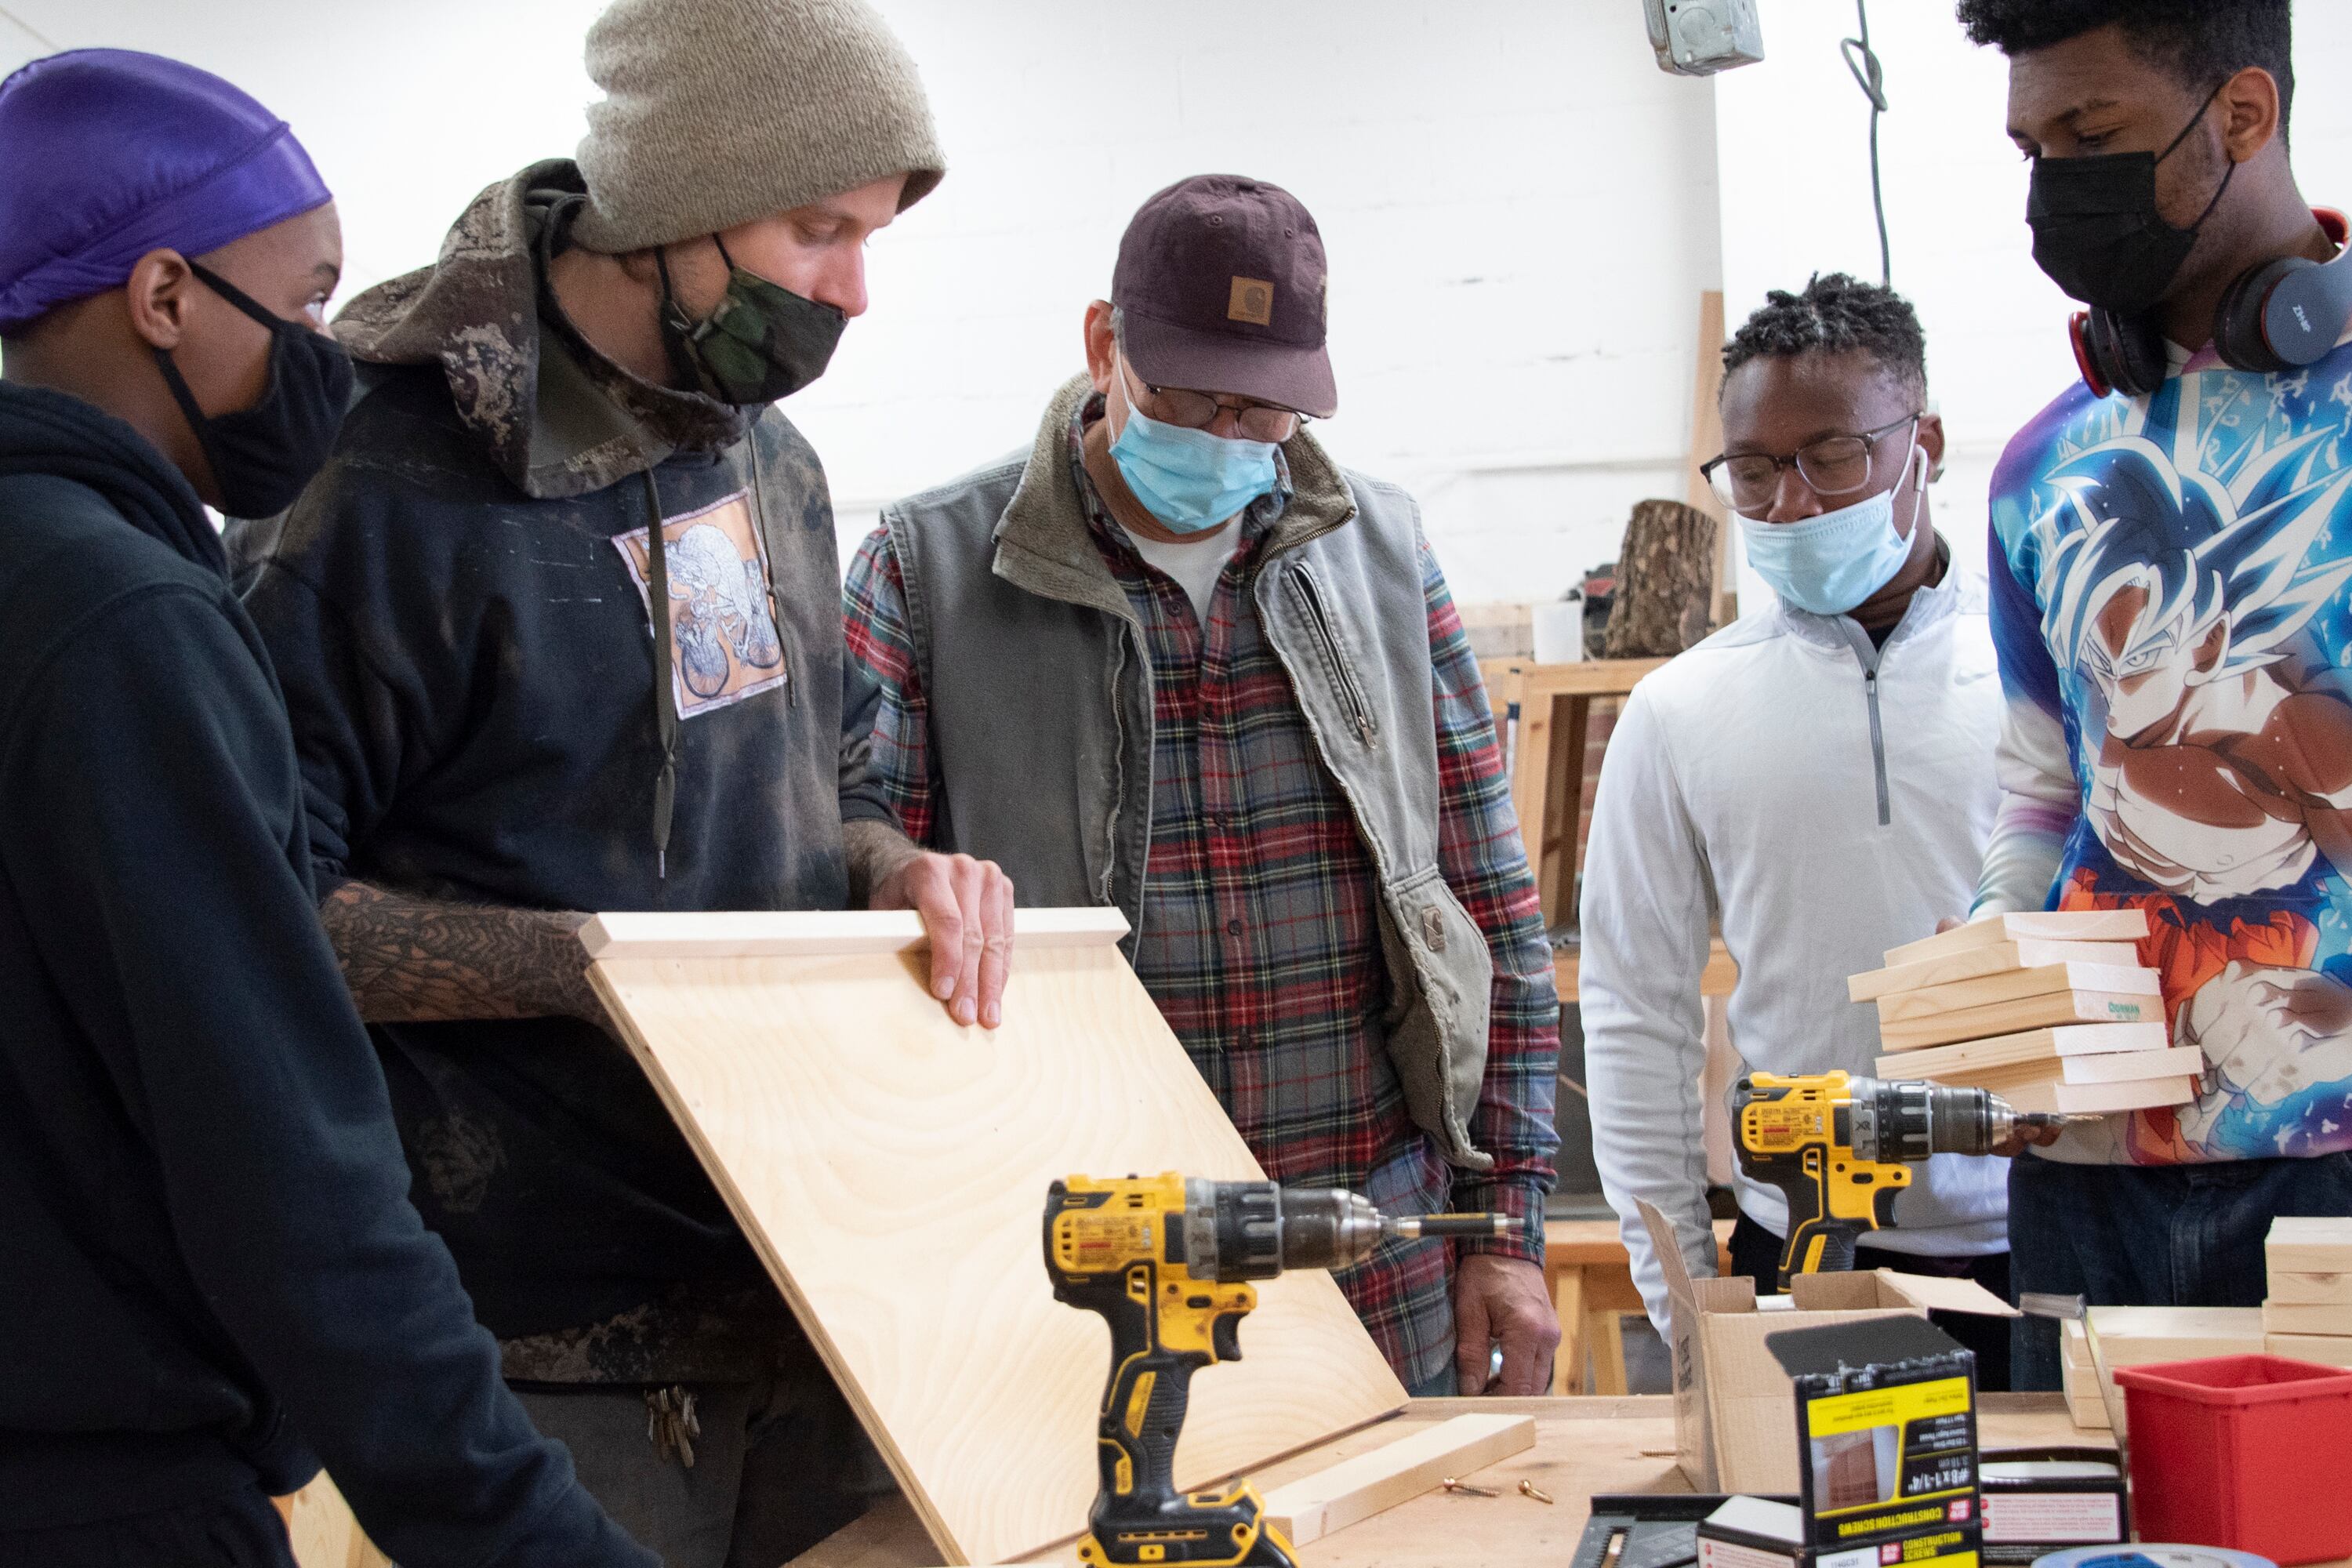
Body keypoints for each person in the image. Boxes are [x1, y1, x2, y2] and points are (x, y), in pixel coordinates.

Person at [227, 2, 1011, 1558]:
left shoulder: (762, 457)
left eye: (870, 236)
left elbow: (830, 780)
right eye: (817, 230)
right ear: (668, 210)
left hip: (807, 1281)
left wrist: (891, 869)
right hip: (528, 1338)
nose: (854, 288)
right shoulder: (376, 484)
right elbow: (246, 917)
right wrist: (590, 965)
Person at [0, 50, 651, 1568]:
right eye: (303, 304)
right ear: (162, 295)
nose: (324, 357)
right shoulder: (123, 620)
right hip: (102, 1496)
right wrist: (532, 1537)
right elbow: (279, 1161)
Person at [842, 175, 1563, 1398]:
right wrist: (891, 870)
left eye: (1266, 411)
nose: (1229, 439)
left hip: (1367, 1252)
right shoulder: (930, 566)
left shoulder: (1380, 554)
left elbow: (1488, 900)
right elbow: (841, 847)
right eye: (1194, 398)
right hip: (1088, 1269)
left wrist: (1507, 1229)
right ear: (1103, 345)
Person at [1956, 0, 2352, 1389]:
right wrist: (1994, 978)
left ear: (2242, 116)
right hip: (2085, 1179)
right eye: (2034, 145)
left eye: (2094, 134)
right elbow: (2043, 788)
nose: (2055, 183)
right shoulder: (2039, 470)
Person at [1580, 274, 2016, 1385]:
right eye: (1754, 472)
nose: (1791, 505)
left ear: (1925, 442)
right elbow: (1636, 1010)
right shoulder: (1681, 710)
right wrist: (1676, 1286)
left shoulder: (2042, 676)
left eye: (1831, 457)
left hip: (2045, 1235)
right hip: (1807, 1243)